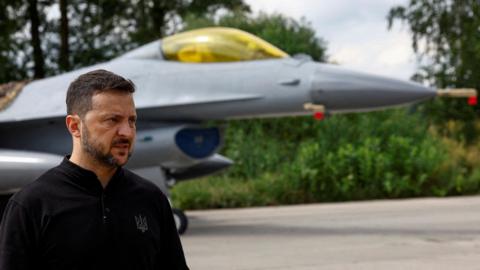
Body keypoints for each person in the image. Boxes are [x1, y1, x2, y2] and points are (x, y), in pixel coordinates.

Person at [0, 69, 189, 269]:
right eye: (112, 120)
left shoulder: (151, 199)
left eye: (131, 121)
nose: (126, 132)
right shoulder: (31, 206)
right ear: (74, 126)